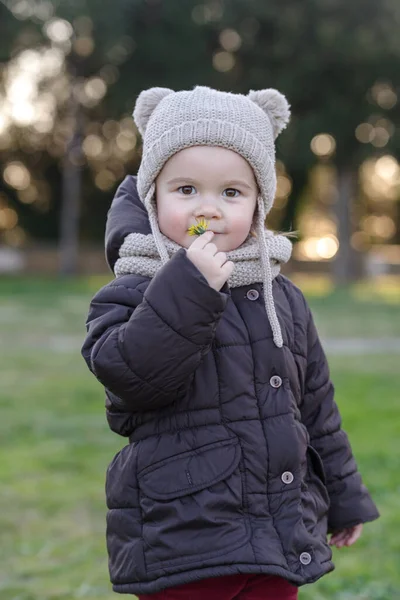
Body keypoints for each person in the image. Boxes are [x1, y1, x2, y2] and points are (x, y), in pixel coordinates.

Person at [81, 86, 379, 599]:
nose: (209, 209)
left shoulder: (281, 296)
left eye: (231, 193)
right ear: (153, 196)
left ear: (260, 203)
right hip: (184, 541)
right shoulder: (135, 286)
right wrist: (189, 287)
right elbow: (129, 379)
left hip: (275, 534)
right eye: (186, 190)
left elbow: (316, 408)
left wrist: (344, 497)